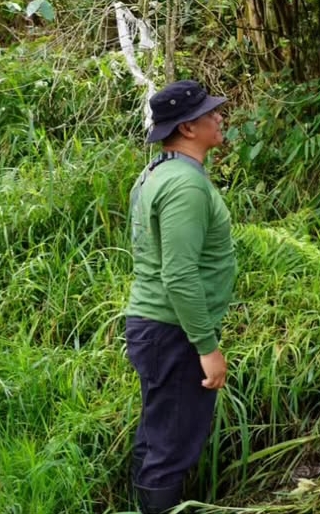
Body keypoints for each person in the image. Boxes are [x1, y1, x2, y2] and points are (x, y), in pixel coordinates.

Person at [125, 80, 236, 513]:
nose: (219, 117)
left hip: (157, 328)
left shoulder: (155, 172)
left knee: (157, 436)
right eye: (211, 113)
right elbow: (178, 273)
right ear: (188, 129)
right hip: (174, 333)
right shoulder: (185, 187)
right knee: (170, 448)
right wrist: (206, 347)